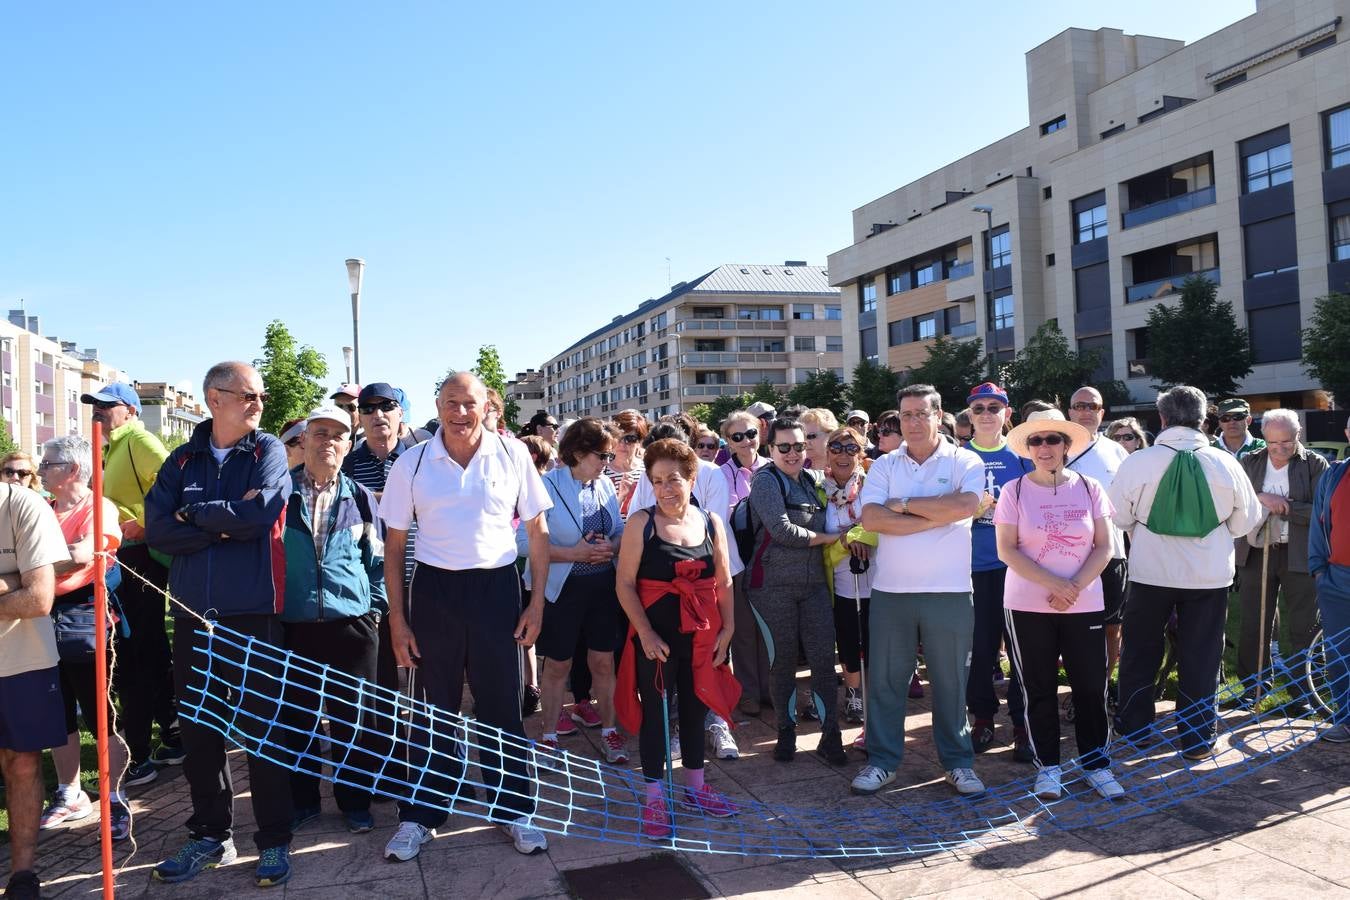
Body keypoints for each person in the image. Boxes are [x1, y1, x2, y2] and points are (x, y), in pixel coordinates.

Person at [379, 372, 552, 862]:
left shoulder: (513, 452)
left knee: (502, 708)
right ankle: (422, 813)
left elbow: (537, 533)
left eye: (469, 403)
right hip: (434, 593)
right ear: (438, 405)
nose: (460, 413)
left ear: (485, 406)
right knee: (433, 711)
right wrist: (398, 619)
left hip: (497, 590)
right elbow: (394, 548)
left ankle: (514, 809)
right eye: (450, 403)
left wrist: (536, 602)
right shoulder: (412, 463)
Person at [145, 361, 297, 887]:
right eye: (248, 395)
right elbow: (158, 531)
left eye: (261, 394)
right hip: (192, 617)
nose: (258, 403)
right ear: (214, 398)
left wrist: (197, 516)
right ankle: (210, 836)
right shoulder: (181, 459)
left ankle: (274, 841)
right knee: (201, 731)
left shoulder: (268, 451)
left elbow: (261, 517)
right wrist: (224, 521)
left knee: (264, 730)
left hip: (251, 614)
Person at [1109, 386, 1261, 759]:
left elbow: (1119, 516)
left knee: (1141, 651)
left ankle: (1136, 730)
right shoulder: (1226, 463)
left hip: (1150, 573)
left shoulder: (1138, 462)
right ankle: (1196, 737)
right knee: (1202, 654)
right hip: (1208, 576)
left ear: (1161, 419)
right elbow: (1247, 522)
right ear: (1204, 419)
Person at [854, 384, 986, 797]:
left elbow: (967, 506)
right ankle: (882, 762)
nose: (911, 422)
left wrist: (904, 504)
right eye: (905, 415)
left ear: (938, 414)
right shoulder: (884, 465)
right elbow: (872, 518)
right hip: (892, 592)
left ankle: (958, 763)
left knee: (950, 683)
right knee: (887, 682)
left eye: (919, 414)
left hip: (949, 591)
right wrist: (937, 513)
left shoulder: (966, 459)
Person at [996, 410, 1124, 800]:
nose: (1044, 448)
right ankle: (1047, 766)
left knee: (1090, 687)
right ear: (1028, 449)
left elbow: (1104, 546)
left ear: (1067, 446)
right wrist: (1055, 584)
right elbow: (1006, 550)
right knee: (1038, 689)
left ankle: (1096, 765)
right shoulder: (1013, 491)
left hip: (1083, 604)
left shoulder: (1089, 488)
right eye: (1036, 441)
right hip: (1027, 606)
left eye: (1053, 440)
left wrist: (1074, 587)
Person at [614, 438, 738, 839]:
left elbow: (723, 581)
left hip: (701, 637)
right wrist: (646, 633)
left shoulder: (711, 522)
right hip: (657, 640)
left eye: (674, 480)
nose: (666, 489)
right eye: (657, 481)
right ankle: (654, 796)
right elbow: (625, 584)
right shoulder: (641, 523)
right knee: (655, 715)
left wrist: (729, 629)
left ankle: (696, 789)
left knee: (695, 711)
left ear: (691, 478)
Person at [280, 407, 385, 835]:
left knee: (354, 719)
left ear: (348, 445)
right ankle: (302, 801)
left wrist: (374, 609)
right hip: (292, 623)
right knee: (295, 717)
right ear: (303, 441)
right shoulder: (277, 493)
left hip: (352, 623)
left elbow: (375, 560)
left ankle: (354, 801)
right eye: (319, 433)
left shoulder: (359, 496)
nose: (328, 441)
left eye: (338, 435)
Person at [82, 382, 181, 789]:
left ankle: (153, 740)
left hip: (141, 557)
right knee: (146, 643)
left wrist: (142, 523)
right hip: (123, 556)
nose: (98, 412)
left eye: (107, 406)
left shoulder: (138, 439)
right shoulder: (108, 446)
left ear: (131, 410)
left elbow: (170, 483)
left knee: (137, 644)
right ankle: (173, 731)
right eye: (95, 406)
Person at [34, 437, 130, 842]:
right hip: (41, 618)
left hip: (84, 620)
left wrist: (34, 564)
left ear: (72, 469)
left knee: (100, 714)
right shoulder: (43, 509)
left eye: (48, 462)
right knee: (57, 714)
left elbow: (84, 555)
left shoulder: (100, 507)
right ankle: (70, 793)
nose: (40, 469)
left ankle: (115, 797)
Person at [524, 418, 627, 762]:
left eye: (610, 456)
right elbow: (524, 542)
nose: (608, 462)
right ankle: (549, 736)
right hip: (562, 589)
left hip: (602, 587)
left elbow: (617, 530)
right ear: (580, 452)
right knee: (557, 665)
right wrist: (575, 554)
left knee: (602, 661)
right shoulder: (546, 486)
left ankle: (610, 732)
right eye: (603, 455)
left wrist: (612, 547)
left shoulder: (605, 486)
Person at [746, 418, 847, 766]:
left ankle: (830, 734)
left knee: (822, 660)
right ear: (769, 449)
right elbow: (782, 531)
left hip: (814, 585)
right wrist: (830, 539)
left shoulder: (813, 481)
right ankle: (785, 732)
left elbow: (851, 486)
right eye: (784, 447)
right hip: (771, 586)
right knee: (782, 662)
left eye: (799, 446)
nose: (792, 453)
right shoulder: (765, 481)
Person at [0, 477, 71, 900]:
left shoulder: (23, 505)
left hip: (22, 661)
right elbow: (23, 589)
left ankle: (23, 874)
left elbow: (39, 598)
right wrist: (13, 580)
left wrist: (21, 584)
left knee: (22, 765)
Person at [1232, 409, 1327, 711]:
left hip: (1299, 553)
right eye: (1273, 443)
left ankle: (1304, 694)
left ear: (1298, 435)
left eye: (1287, 441)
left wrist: (1283, 506)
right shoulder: (1251, 461)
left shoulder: (1315, 463)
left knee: (1304, 625)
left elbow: (1321, 512)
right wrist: (1262, 497)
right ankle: (1253, 689)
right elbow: (1238, 501)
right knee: (1254, 623)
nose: (1281, 449)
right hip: (1257, 551)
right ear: (1264, 438)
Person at [962, 383, 1029, 759]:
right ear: (969, 415)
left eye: (994, 408)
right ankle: (983, 719)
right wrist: (968, 511)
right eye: (979, 408)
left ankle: (1022, 723)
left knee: (1022, 649)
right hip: (974, 567)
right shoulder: (958, 457)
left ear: (1007, 413)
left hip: (1017, 568)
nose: (986, 414)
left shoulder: (1023, 456)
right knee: (981, 648)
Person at [1065, 387, 1132, 711]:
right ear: (1070, 412)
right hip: (1065, 556)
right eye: (1079, 405)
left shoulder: (1116, 452)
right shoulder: (1055, 448)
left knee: (1111, 626)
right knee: (1073, 628)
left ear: (1102, 413)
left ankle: (1102, 688)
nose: (1086, 411)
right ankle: (1078, 692)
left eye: (1093, 406)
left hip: (1111, 552)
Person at [820, 427, 875, 741]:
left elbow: (880, 522)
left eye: (850, 448)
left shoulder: (873, 485)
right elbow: (817, 533)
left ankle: (874, 698)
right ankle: (854, 695)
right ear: (828, 453)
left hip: (875, 580)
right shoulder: (819, 490)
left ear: (861, 453)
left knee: (874, 642)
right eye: (836, 447)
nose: (843, 454)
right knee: (847, 641)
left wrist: (859, 536)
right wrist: (845, 541)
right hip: (839, 582)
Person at [720, 410, 772, 715]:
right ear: (728, 441)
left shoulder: (773, 467)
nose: (746, 441)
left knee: (769, 627)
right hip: (737, 560)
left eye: (750, 433)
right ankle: (748, 691)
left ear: (760, 434)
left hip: (771, 561)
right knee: (742, 629)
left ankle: (770, 689)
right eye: (737, 436)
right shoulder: (720, 474)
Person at [1311, 414, 1350, 741]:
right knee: (1339, 654)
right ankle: (1345, 718)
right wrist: (1319, 570)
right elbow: (1317, 524)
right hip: (1337, 580)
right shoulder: (1335, 474)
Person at [607, 410, 648, 518]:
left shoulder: (648, 471)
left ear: (640, 442)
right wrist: (620, 496)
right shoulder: (600, 471)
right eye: (618, 437)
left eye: (630, 439)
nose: (622, 443)